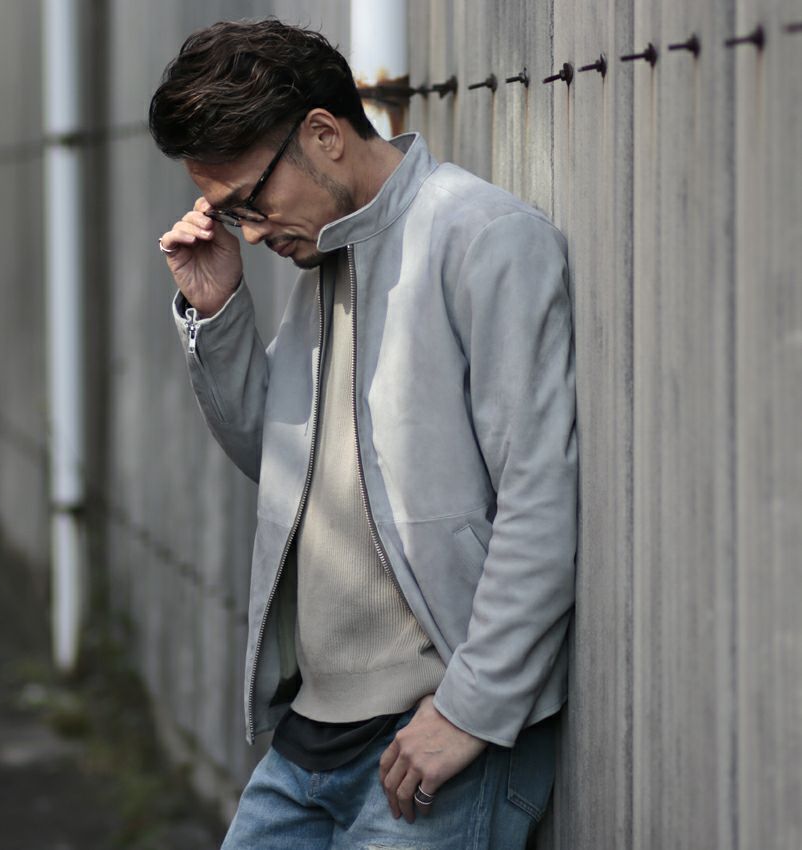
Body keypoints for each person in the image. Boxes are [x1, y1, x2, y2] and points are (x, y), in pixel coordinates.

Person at [150, 18, 577, 850]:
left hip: (433, 738)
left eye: (251, 203)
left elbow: (541, 499)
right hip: (308, 738)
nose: (252, 232)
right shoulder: (323, 256)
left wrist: (471, 708)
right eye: (230, 214)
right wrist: (219, 312)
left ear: (323, 135)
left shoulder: (484, 239)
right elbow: (281, 468)